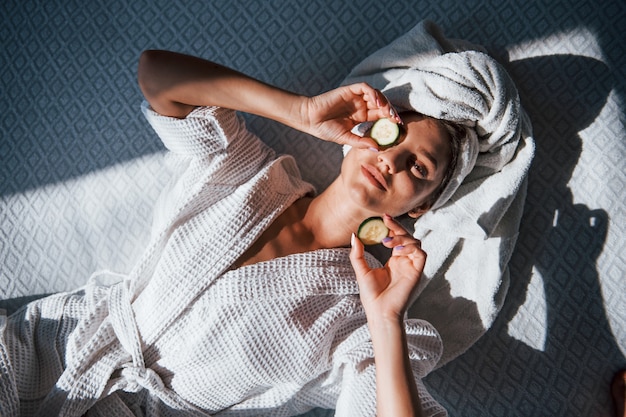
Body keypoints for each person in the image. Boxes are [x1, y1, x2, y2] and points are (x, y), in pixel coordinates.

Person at [0, 21, 530, 417]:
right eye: (394, 133)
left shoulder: (364, 314)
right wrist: (298, 111)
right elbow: (156, 73)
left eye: (419, 165)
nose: (391, 159)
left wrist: (387, 320)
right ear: (363, 130)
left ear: (420, 207)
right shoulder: (248, 169)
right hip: (47, 343)